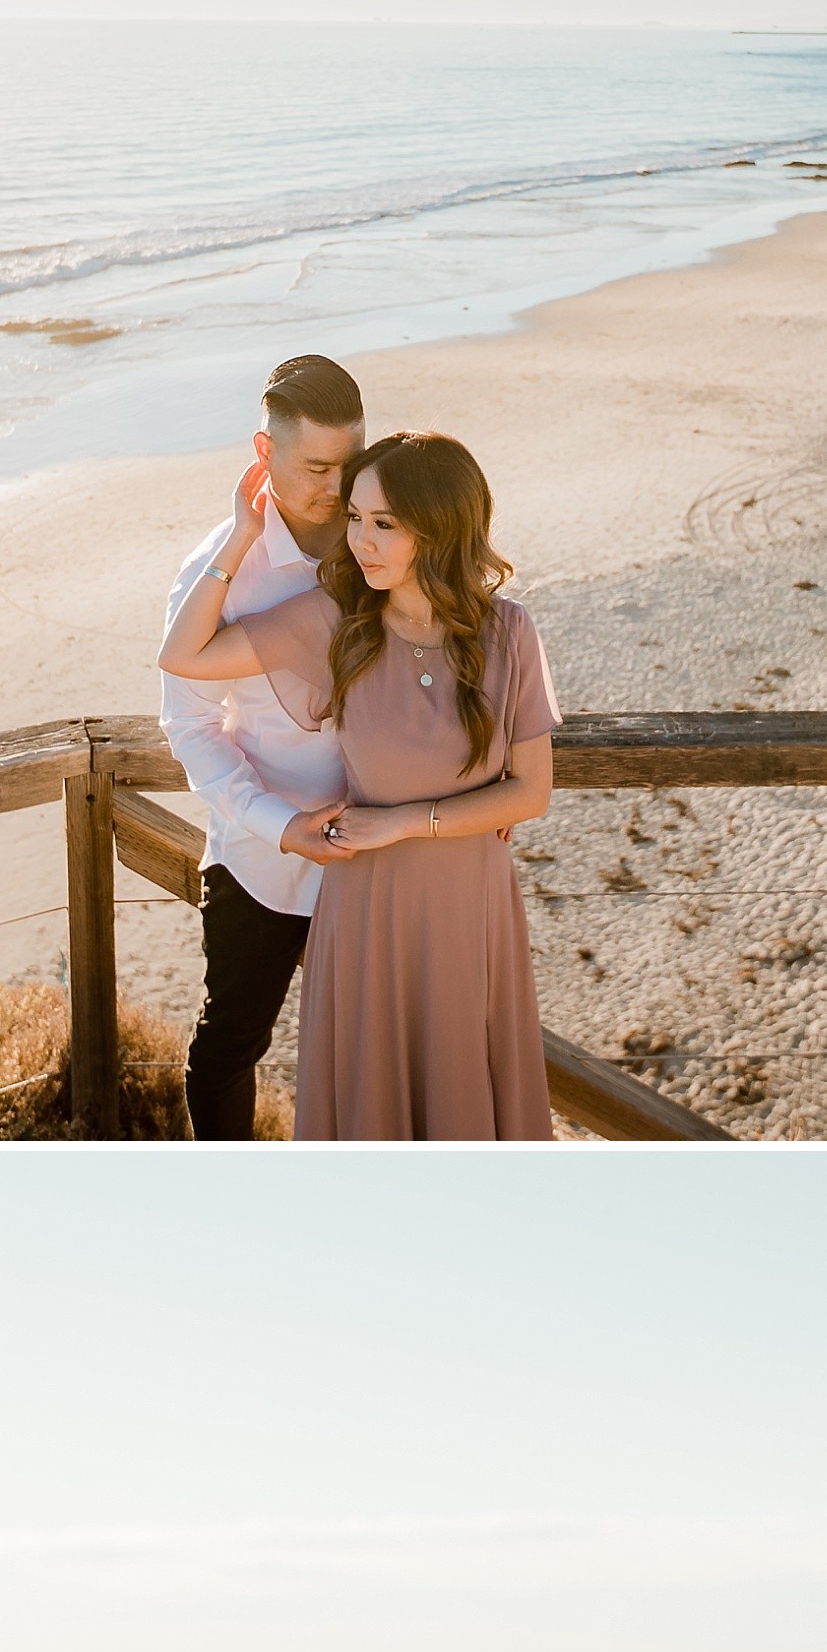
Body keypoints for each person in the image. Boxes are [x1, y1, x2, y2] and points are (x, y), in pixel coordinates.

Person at [162, 432, 557, 1140]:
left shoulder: (511, 632)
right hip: (368, 910)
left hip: (473, 906)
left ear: (437, 528)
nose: (360, 541)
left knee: (467, 1095)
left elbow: (530, 793)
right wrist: (241, 533)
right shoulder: (337, 624)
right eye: (355, 520)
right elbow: (182, 655)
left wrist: (405, 822)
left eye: (383, 524)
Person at [160, 358, 366, 1140]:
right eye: (317, 468)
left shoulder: (379, 536)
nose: (338, 488)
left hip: (376, 845)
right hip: (260, 859)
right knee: (230, 1047)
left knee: (371, 1044)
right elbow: (188, 725)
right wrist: (276, 822)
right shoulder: (219, 570)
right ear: (263, 453)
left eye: (350, 464)